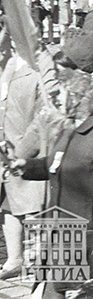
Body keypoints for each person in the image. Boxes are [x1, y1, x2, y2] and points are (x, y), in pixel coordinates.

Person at [11, 36, 93, 298]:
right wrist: (25, 166)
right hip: (66, 219)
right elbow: (55, 162)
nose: (54, 98)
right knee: (58, 285)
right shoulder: (68, 124)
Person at [0, 53, 47, 280]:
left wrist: (22, 153)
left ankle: (41, 266)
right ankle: (14, 258)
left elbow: (42, 120)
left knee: (33, 209)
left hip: (24, 153)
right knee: (7, 208)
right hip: (3, 153)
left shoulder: (37, 71)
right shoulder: (5, 67)